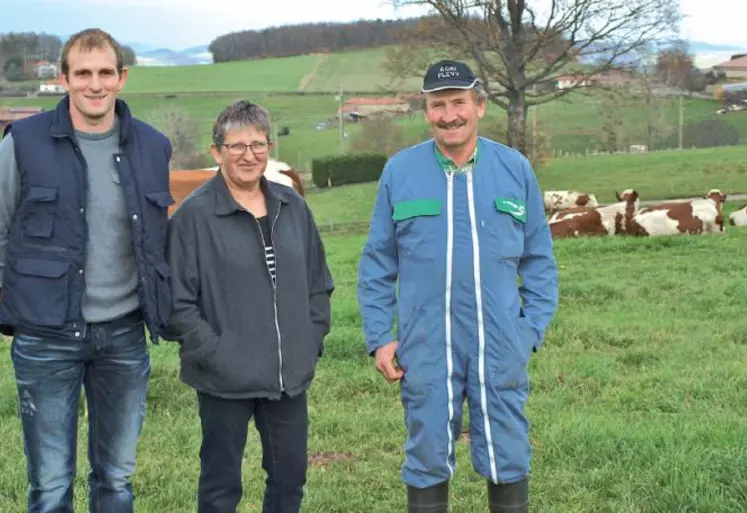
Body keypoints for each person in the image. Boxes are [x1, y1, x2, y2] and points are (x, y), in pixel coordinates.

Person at [357, 60, 559, 513]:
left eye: (458, 103)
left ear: (480, 106)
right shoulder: (400, 171)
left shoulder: (514, 168)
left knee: (508, 449)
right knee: (426, 453)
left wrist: (528, 330)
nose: (449, 115)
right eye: (438, 105)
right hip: (426, 341)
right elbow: (377, 263)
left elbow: (540, 260)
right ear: (426, 111)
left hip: (500, 339)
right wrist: (380, 337)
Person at [0, 28, 174, 512]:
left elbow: (158, 241)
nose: (94, 84)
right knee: (50, 485)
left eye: (104, 73)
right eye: (82, 73)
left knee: (116, 481)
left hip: (123, 335)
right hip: (44, 335)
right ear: (64, 79)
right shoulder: (24, 142)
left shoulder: (153, 147)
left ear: (121, 78)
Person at [166, 99, 334, 513]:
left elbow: (319, 283)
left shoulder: (292, 206)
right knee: (221, 486)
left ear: (269, 148)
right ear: (217, 151)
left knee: (289, 478)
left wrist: (308, 340)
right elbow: (177, 303)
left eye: (258, 144)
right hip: (224, 378)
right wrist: (215, 352)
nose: (249, 155)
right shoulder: (193, 217)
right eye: (237, 145)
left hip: (287, 376)